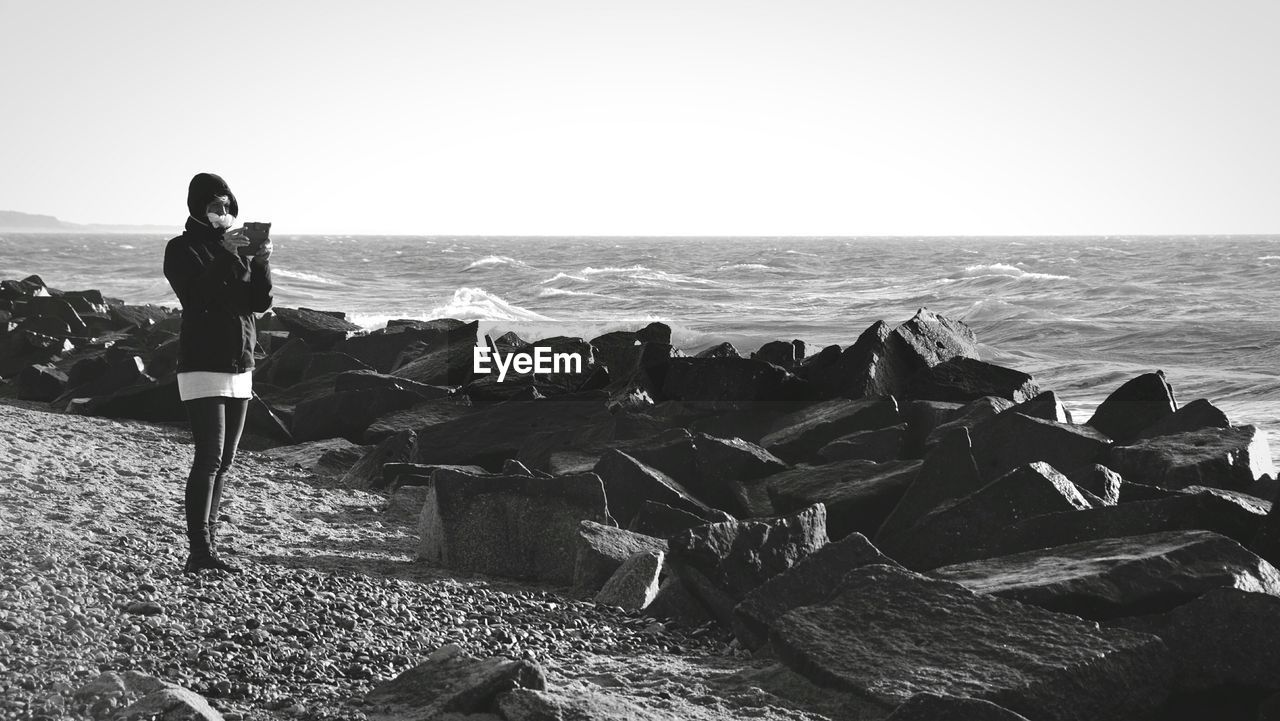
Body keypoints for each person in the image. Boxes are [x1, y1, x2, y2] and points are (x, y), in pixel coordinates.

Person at [163, 172, 273, 574]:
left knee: (226, 461)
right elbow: (195, 296)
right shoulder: (181, 248)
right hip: (201, 362)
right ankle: (199, 551)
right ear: (198, 208)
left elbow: (258, 303)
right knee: (208, 457)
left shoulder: (239, 250)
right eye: (214, 207)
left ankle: (210, 547)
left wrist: (259, 263)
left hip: (240, 362)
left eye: (227, 207)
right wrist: (226, 253)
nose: (222, 213)